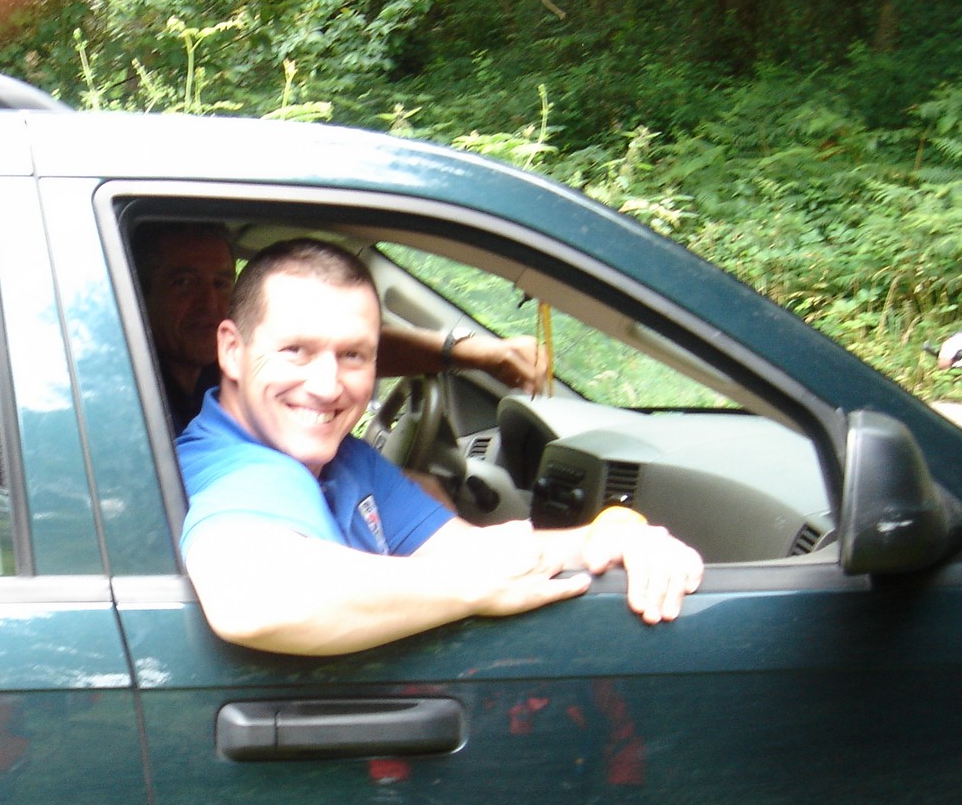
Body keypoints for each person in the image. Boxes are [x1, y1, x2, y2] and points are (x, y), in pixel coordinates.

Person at [176, 238, 703, 656]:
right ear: (232, 350)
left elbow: (472, 550)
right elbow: (253, 600)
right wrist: (471, 588)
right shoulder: (235, 468)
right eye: (296, 350)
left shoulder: (343, 458)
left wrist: (609, 536)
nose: (328, 385)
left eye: (354, 355)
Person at [134, 221, 550, 431]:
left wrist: (466, 351)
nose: (210, 304)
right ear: (142, 291)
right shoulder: (129, 393)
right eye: (183, 283)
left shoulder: (222, 367)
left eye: (221, 282)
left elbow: (346, 347)